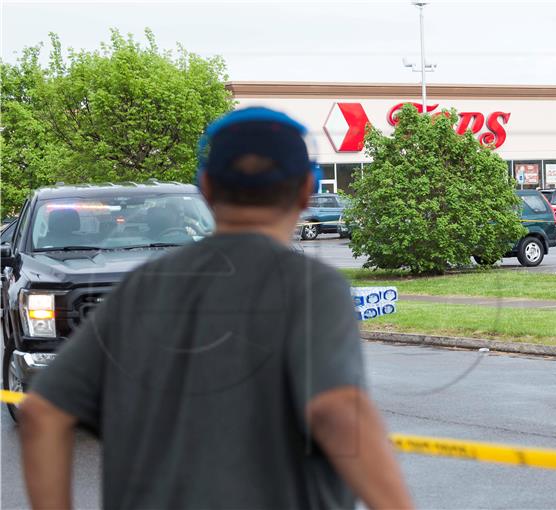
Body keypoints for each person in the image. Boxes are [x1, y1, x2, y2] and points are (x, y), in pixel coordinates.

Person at [19, 107, 413, 510]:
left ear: (206, 187)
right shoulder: (311, 287)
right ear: (304, 192)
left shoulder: (138, 289)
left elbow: (41, 412)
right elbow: (336, 413)